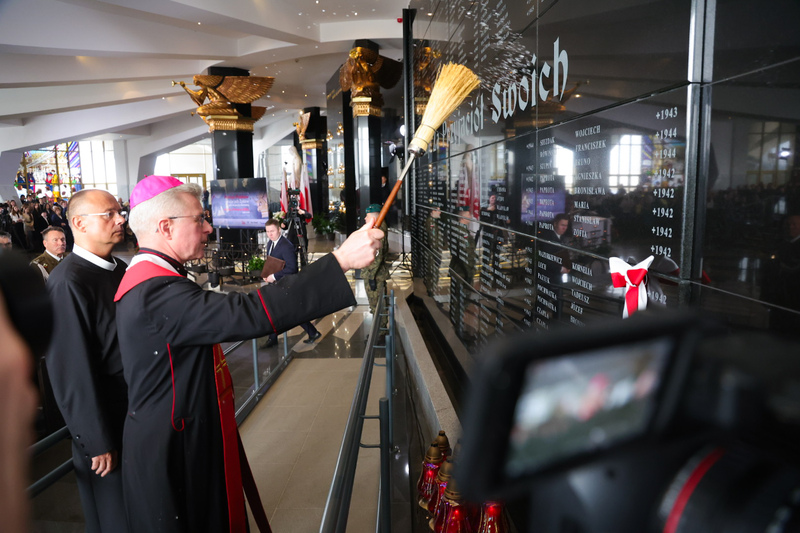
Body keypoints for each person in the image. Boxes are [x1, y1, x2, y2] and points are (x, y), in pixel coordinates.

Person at [114, 175, 382, 533]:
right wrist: (341, 260)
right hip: (173, 449)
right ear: (165, 227)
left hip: (181, 434)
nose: (209, 227)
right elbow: (249, 313)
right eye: (199, 219)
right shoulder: (155, 291)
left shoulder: (154, 278)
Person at [45, 189, 130, 532]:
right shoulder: (67, 282)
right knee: (114, 518)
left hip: (131, 415)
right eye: (109, 214)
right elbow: (71, 371)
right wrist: (95, 440)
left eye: (119, 211)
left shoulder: (119, 268)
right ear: (79, 223)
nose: (120, 218)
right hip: (105, 429)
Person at [259, 218, 321, 347]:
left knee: (291, 312)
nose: (270, 234)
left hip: (285, 285)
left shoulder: (286, 245)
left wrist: (274, 276)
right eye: (267, 232)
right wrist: (267, 275)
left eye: (272, 231)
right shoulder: (271, 244)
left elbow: (292, 268)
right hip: (276, 284)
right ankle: (274, 337)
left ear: (279, 229)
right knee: (276, 311)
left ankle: (312, 332)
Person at [361, 204, 389, 329]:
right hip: (373, 274)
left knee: (377, 305)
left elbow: (377, 256)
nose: (364, 219)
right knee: (376, 305)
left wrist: (371, 277)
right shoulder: (378, 228)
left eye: (366, 216)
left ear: (373, 218)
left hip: (375, 275)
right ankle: (379, 330)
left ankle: (380, 333)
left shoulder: (378, 232)